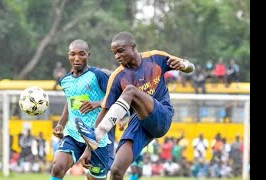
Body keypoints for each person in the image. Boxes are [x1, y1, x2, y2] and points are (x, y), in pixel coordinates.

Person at [75, 31, 195, 179]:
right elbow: (105, 111)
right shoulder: (117, 76)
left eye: (120, 51)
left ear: (133, 47)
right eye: (114, 53)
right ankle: (95, 139)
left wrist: (183, 65)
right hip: (138, 123)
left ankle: (97, 136)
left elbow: (191, 68)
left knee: (131, 91)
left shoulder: (156, 57)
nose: (117, 56)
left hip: (162, 114)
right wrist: (89, 149)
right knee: (116, 171)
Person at [50, 39, 115, 180]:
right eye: (73, 54)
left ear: (88, 55)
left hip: (97, 137)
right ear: (68, 56)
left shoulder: (98, 75)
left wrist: (97, 103)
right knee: (57, 168)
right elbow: (70, 101)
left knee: (95, 178)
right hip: (73, 133)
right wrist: (61, 123)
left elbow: (116, 99)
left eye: (82, 54)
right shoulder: (65, 80)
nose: (77, 58)